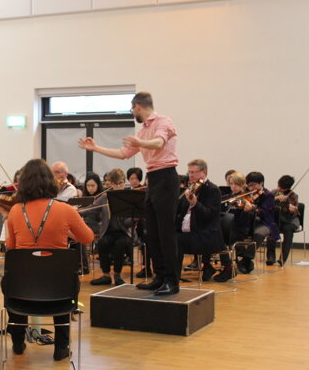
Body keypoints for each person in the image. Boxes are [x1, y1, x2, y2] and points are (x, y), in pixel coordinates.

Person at [79, 91, 180, 295]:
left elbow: (159, 143)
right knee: (152, 233)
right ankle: (159, 277)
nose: (133, 113)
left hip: (166, 177)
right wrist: (96, 148)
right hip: (153, 178)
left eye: (132, 109)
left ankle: (171, 281)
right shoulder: (143, 130)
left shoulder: (163, 121)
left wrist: (139, 143)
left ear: (137, 106)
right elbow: (123, 154)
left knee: (165, 232)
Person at [3, 159, 94, 360]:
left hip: (22, 290)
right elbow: (88, 238)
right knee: (65, 278)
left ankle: (17, 340)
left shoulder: (15, 211)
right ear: (50, 182)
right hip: (59, 291)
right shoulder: (65, 210)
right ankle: (61, 346)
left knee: (10, 279)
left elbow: (11, 248)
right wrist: (67, 230)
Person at [175, 159, 224, 282]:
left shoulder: (212, 190)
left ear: (204, 172)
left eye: (194, 172)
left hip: (204, 234)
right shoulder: (191, 188)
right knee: (166, 236)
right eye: (189, 172)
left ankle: (173, 277)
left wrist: (195, 204)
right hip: (189, 231)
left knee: (176, 241)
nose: (190, 175)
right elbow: (179, 210)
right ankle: (165, 274)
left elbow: (209, 215)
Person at [90, 169, 134, 286]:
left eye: (121, 183)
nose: (118, 186)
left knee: (120, 244)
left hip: (124, 232)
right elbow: (92, 209)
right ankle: (106, 275)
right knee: (102, 242)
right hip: (108, 231)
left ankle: (117, 275)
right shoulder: (105, 197)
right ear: (111, 184)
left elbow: (128, 223)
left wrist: (134, 218)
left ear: (124, 181)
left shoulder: (128, 197)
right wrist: (75, 211)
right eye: (115, 184)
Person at [244, 171, 280, 265]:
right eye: (249, 185)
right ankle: (238, 254)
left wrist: (253, 207)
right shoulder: (247, 193)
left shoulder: (268, 195)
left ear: (261, 183)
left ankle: (246, 259)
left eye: (254, 185)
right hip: (249, 221)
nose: (251, 188)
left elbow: (264, 212)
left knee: (259, 234)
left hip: (264, 222)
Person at [273, 175, 300, 265]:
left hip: (289, 221)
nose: (278, 189)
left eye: (281, 188)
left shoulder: (293, 196)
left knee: (288, 231)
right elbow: (266, 202)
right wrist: (276, 198)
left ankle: (282, 259)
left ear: (288, 188)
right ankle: (270, 257)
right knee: (271, 229)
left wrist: (291, 209)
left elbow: (293, 213)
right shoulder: (274, 193)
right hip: (277, 220)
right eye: (278, 186)